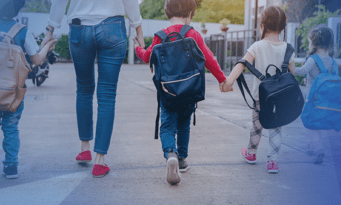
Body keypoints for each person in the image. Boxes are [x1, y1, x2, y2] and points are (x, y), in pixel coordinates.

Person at [41, 0, 145, 178]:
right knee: (107, 95)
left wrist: (50, 30)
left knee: (83, 89)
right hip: (112, 27)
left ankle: (84, 148)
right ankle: (100, 161)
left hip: (79, 28)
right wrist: (138, 30)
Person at [134, 0, 227, 184]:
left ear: (167, 12)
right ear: (191, 12)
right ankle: (182, 160)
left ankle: (171, 154)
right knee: (184, 124)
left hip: (168, 92)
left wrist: (138, 47)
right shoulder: (193, 35)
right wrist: (222, 79)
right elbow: (209, 59)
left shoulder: (160, 36)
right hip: (190, 91)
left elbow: (146, 57)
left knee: (167, 125)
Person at [222, 6, 296, 173]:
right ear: (283, 27)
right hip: (280, 98)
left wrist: (229, 81)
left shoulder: (257, 46)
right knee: (276, 127)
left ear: (262, 25)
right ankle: (273, 162)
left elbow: (242, 64)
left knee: (257, 125)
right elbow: (293, 73)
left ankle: (251, 153)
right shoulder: (288, 49)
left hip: (260, 97)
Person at [0, 0, 57, 179]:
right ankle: (11, 167)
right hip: (12, 92)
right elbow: (37, 60)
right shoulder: (21, 30)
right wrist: (47, 46)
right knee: (10, 128)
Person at [293, 26, 336, 164]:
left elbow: (300, 71)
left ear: (314, 42)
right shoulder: (331, 60)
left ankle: (318, 148)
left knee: (309, 125)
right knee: (317, 124)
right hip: (326, 100)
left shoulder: (313, 59)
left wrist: (290, 65)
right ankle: (312, 147)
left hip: (312, 99)